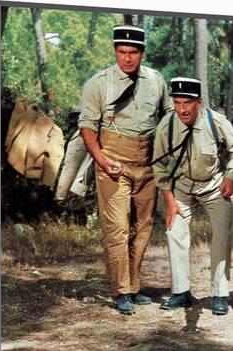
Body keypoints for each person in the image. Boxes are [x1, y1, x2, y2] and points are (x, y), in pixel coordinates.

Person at [78, 25, 172, 315]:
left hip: (147, 162)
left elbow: (170, 115)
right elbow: (87, 127)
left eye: (133, 53)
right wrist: (102, 160)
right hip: (113, 161)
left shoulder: (156, 81)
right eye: (122, 52)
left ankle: (133, 286)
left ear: (141, 53)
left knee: (142, 227)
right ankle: (120, 291)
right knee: (117, 228)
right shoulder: (99, 83)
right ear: (115, 51)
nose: (127, 58)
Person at [151, 77, 233, 315]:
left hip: (215, 185)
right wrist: (169, 200)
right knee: (175, 232)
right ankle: (181, 292)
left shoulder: (216, 122)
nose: (182, 108)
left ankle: (219, 294)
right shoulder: (167, 125)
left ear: (199, 103)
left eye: (188, 103)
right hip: (182, 186)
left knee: (222, 235)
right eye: (177, 102)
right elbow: (159, 165)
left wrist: (231, 177)